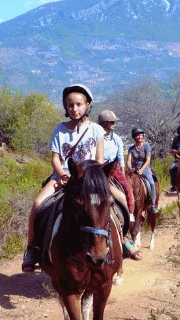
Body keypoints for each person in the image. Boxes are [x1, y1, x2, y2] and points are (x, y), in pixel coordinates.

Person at [22, 84, 105, 273]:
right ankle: (32, 248)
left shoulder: (96, 130)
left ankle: (123, 240)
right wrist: (64, 175)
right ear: (66, 107)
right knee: (37, 203)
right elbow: (55, 159)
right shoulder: (60, 130)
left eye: (78, 104)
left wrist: (88, 179)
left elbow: (99, 160)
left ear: (87, 104)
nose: (74, 109)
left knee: (119, 200)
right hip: (63, 177)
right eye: (70, 105)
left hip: (90, 181)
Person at [99, 110, 143, 260]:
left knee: (126, 193)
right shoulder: (96, 137)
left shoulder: (116, 139)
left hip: (114, 168)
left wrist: (122, 175)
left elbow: (120, 159)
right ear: (104, 123)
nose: (114, 124)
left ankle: (126, 229)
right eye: (112, 122)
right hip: (98, 169)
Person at [126, 127, 159, 215]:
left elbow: (148, 161)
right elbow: (128, 160)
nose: (140, 137)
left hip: (144, 169)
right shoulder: (131, 149)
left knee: (152, 183)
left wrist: (141, 170)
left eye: (141, 135)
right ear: (134, 137)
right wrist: (130, 168)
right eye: (138, 135)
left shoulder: (146, 146)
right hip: (134, 169)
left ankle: (152, 204)